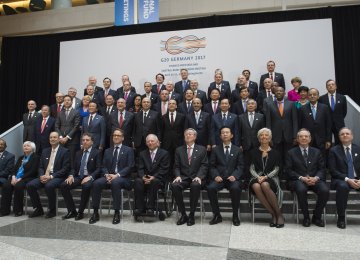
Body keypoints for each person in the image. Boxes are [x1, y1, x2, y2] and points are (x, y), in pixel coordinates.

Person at [89, 129, 135, 225]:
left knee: (116, 182)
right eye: (114, 135)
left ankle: (117, 212)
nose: (116, 137)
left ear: (122, 138)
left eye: (118, 135)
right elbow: (103, 166)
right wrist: (107, 174)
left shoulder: (128, 150)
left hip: (124, 178)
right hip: (109, 176)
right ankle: (95, 212)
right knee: (96, 183)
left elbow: (130, 166)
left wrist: (117, 175)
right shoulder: (107, 151)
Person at [285, 129, 329, 227]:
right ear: (297, 139)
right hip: (298, 180)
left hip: (315, 179)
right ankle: (306, 217)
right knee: (301, 189)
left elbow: (322, 169)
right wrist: (301, 178)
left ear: (310, 139)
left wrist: (316, 178)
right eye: (301, 136)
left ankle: (316, 217)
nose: (303, 138)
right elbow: (288, 170)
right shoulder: (291, 152)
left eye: (306, 136)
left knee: (325, 190)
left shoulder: (317, 152)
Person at [27, 132, 70, 218]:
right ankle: (38, 209)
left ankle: (52, 210)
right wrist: (41, 175)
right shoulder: (45, 151)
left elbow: (65, 169)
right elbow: (40, 167)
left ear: (58, 139)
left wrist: (50, 176)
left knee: (49, 186)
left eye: (54, 137)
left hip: (57, 176)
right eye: (51, 137)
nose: (52, 139)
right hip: (44, 175)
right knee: (30, 185)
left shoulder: (65, 151)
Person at [60, 133, 102, 221]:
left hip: (89, 177)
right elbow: (73, 168)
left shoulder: (97, 152)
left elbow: (99, 169)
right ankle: (72, 211)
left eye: (87, 140)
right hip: (78, 176)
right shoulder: (78, 153)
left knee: (86, 186)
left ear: (92, 142)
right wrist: (71, 175)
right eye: (83, 140)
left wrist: (90, 177)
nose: (85, 142)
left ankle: (80, 212)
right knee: (64, 185)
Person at [171, 128, 208, 226]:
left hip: (197, 177)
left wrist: (199, 176)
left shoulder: (202, 149)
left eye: (190, 134)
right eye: (186, 134)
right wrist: (178, 176)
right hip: (183, 177)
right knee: (174, 186)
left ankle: (191, 214)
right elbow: (176, 166)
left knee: (195, 185)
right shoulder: (179, 150)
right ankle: (183, 214)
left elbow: (204, 165)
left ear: (195, 137)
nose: (188, 136)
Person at [207, 127, 243, 226]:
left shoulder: (237, 150)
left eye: (227, 132)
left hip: (232, 179)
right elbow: (212, 166)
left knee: (235, 188)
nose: (225, 134)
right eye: (223, 133)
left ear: (232, 135)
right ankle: (217, 215)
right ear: (220, 136)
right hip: (220, 178)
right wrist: (216, 176)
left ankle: (235, 215)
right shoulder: (215, 150)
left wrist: (235, 176)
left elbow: (240, 166)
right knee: (210, 188)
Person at [249, 128, 284, 228]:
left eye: (266, 135)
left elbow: (277, 168)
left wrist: (266, 177)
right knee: (255, 186)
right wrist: (258, 177)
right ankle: (273, 214)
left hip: (271, 177)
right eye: (261, 135)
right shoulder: (253, 152)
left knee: (264, 184)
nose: (264, 137)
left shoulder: (276, 152)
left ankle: (278, 214)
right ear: (259, 138)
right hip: (256, 176)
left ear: (270, 138)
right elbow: (251, 168)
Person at [328, 127, 360, 229]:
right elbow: (333, 171)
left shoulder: (358, 149)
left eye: (347, 133)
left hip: (357, 179)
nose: (345, 135)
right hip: (341, 180)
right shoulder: (334, 151)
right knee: (343, 187)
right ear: (339, 137)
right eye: (342, 134)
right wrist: (347, 179)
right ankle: (341, 218)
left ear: (352, 136)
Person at [134, 134, 170, 217]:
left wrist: (153, 177)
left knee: (154, 181)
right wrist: (143, 177)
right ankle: (140, 208)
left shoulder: (164, 154)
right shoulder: (142, 154)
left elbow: (164, 169)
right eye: (148, 141)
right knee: (137, 181)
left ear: (157, 143)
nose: (150, 143)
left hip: (158, 179)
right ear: (146, 143)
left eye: (152, 141)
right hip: (144, 178)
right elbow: (140, 168)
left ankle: (151, 208)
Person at [265, 86, 298, 176]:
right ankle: (278, 175)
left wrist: (295, 136)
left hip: (289, 135)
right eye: (277, 91)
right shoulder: (270, 105)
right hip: (275, 136)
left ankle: (288, 176)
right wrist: (269, 137)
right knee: (277, 156)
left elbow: (295, 120)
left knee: (289, 157)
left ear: (284, 93)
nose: (279, 92)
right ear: (274, 93)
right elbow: (268, 121)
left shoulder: (292, 104)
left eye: (281, 91)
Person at [0, 141, 37, 217]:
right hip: (15, 177)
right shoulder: (21, 158)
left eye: (28, 146)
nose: (25, 147)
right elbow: (14, 169)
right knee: (6, 186)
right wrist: (13, 177)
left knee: (18, 186)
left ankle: (18, 210)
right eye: (24, 146)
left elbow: (32, 171)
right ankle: (5, 210)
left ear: (32, 148)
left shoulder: (35, 157)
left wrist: (20, 178)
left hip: (27, 178)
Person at [299, 88, 332, 156]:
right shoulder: (302, 109)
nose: (312, 96)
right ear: (307, 96)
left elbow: (328, 125)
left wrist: (328, 140)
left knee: (322, 159)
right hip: (308, 140)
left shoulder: (324, 108)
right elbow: (300, 125)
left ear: (318, 96)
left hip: (322, 140)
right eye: (310, 95)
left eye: (314, 94)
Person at [238, 99, 265, 183]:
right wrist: (239, 144)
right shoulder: (241, 117)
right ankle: (246, 182)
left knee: (257, 163)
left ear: (256, 106)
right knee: (246, 163)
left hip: (257, 144)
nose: (250, 105)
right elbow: (238, 131)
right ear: (246, 106)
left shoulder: (261, 116)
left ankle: (257, 180)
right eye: (248, 104)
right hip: (245, 144)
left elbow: (263, 131)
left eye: (252, 104)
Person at [55, 95, 81, 168]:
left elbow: (76, 126)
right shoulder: (60, 113)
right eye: (65, 100)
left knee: (71, 159)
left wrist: (67, 137)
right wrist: (60, 137)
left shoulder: (76, 112)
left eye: (68, 100)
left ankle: (71, 175)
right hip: (61, 140)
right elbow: (56, 126)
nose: (66, 101)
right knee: (61, 158)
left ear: (71, 102)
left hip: (72, 140)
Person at [318, 79, 347, 145]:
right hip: (326, 124)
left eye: (332, 84)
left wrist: (338, 119)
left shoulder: (342, 97)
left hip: (339, 124)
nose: (331, 86)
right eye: (328, 85)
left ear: (336, 86)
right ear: (326, 87)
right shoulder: (321, 98)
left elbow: (344, 112)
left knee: (340, 142)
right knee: (327, 142)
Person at [161, 99, 185, 168]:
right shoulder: (163, 117)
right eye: (170, 104)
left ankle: (177, 175)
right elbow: (161, 130)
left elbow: (184, 129)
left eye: (173, 103)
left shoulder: (182, 116)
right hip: (166, 143)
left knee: (178, 160)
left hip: (178, 142)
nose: (171, 105)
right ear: (168, 106)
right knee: (167, 160)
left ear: (176, 106)